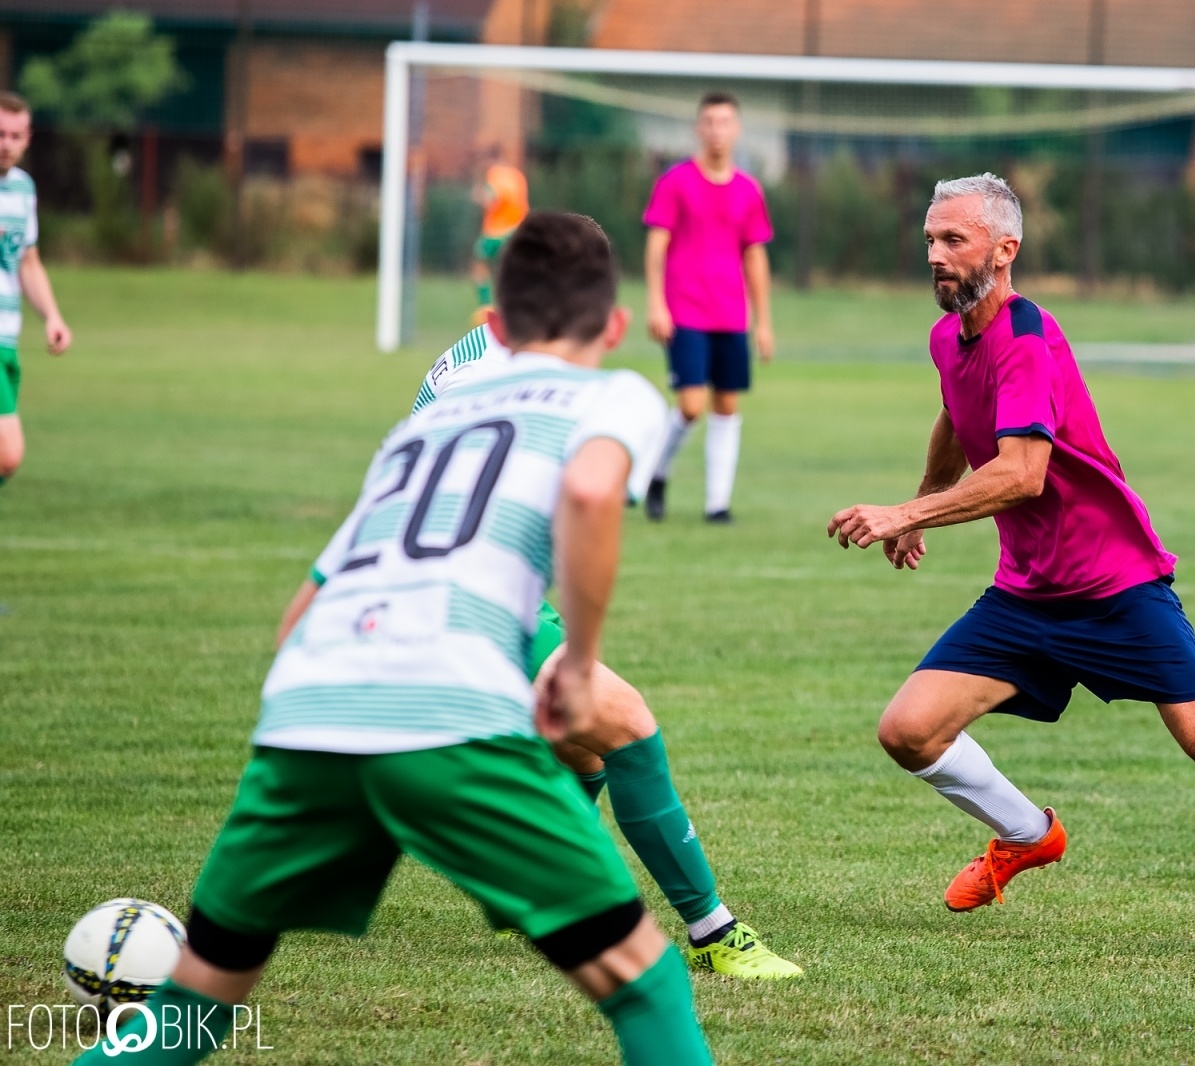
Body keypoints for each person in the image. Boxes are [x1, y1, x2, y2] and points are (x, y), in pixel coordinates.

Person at [74, 213, 716, 1066]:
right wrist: (579, 663)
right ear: (615, 325)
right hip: (447, 715)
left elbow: (299, 615)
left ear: (494, 325)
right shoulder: (613, 395)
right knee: (648, 986)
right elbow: (595, 493)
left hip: (305, 717)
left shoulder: (420, 427)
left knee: (195, 1006)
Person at [827, 174, 1195, 969]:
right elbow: (958, 412)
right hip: (1027, 595)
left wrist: (902, 514)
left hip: (1116, 588)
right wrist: (923, 497)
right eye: (930, 239)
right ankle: (1027, 836)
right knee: (908, 730)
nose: (935, 255)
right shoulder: (949, 338)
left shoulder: (1028, 338)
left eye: (953, 239)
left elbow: (1023, 474)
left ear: (1005, 249)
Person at [380, 320, 804, 979]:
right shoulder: (553, 382)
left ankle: (532, 891)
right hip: (464, 594)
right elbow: (585, 503)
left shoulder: (475, 351)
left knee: (583, 749)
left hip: (459, 579)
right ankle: (713, 931)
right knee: (629, 727)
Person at [641, 91, 774, 524]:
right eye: (710, 122)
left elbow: (754, 255)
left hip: (730, 314)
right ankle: (655, 474)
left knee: (727, 406)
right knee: (690, 405)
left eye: (724, 122)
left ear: (736, 129)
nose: (717, 130)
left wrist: (763, 322)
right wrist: (656, 303)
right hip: (685, 311)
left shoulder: (747, 190)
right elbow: (656, 244)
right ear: (699, 128)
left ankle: (718, 505)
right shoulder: (675, 182)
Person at [0, 91, 72, 490]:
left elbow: (28, 262)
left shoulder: (23, 189)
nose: (6, 144)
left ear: (28, 139)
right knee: (8, 451)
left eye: (15, 136)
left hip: (7, 336)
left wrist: (52, 316)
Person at [471, 143, 528, 323]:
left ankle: (486, 306)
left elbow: (491, 200)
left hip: (496, 231)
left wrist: (478, 195)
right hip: (517, 228)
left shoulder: (494, 174)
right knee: (512, 268)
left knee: (480, 264)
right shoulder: (517, 176)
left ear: (490, 160)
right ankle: (517, 305)